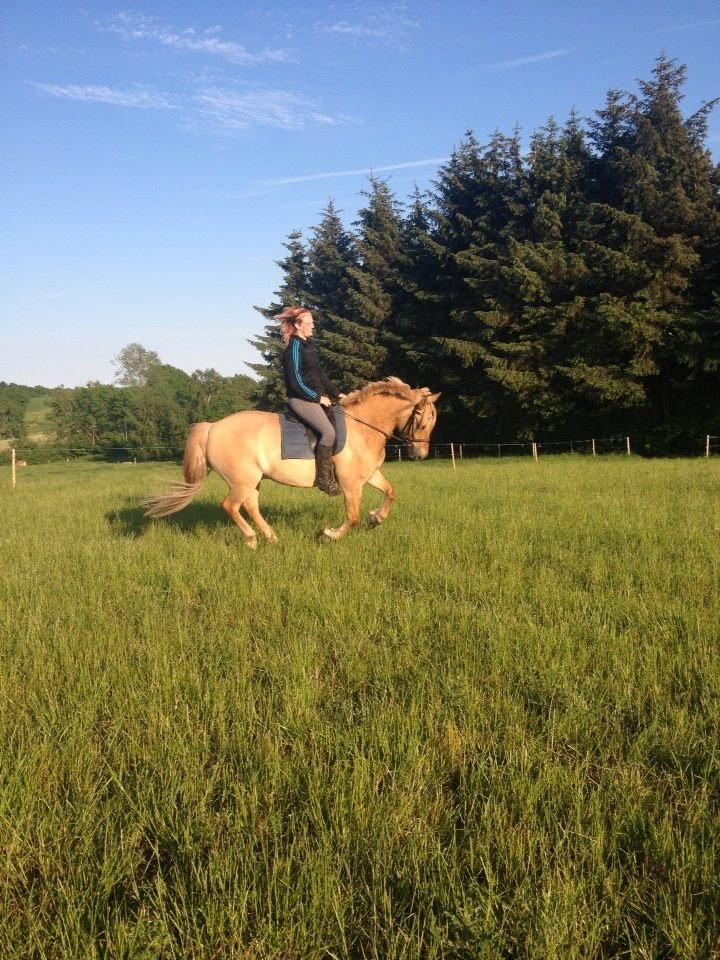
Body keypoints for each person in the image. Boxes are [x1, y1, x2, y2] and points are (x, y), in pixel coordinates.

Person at [277, 306, 342, 496]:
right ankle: (324, 480)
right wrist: (318, 398)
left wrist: (337, 393)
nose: (313, 326)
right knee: (328, 432)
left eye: (312, 322)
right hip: (301, 399)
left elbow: (319, 375)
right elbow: (295, 382)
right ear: (298, 325)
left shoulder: (309, 345)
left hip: (315, 399)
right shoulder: (294, 348)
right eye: (309, 323)